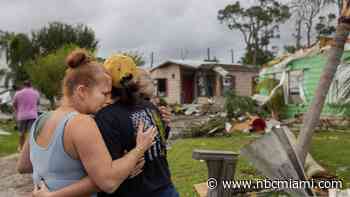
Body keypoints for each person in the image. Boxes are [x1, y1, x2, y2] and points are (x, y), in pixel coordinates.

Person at [32, 54, 178, 197]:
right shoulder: (151, 107)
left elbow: (107, 178)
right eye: (103, 93)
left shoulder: (102, 117)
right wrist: (132, 159)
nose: (105, 98)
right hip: (166, 186)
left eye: (107, 93)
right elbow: (109, 176)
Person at [13, 80, 40, 151]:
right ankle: (30, 149)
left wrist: (17, 111)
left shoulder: (18, 93)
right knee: (31, 133)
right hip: (33, 115)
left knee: (21, 133)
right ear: (30, 85)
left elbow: (14, 104)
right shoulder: (36, 93)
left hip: (22, 116)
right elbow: (37, 103)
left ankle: (21, 148)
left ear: (23, 85)